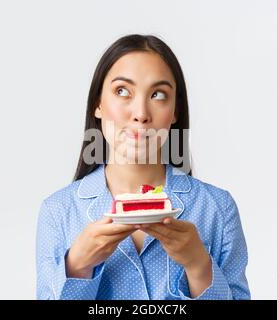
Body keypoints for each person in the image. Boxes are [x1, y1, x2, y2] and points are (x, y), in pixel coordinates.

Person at [36, 34, 250, 300]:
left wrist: (199, 266)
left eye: (158, 95)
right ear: (98, 104)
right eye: (122, 91)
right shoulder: (58, 211)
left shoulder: (217, 208)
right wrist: (77, 266)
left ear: (174, 112)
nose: (141, 113)